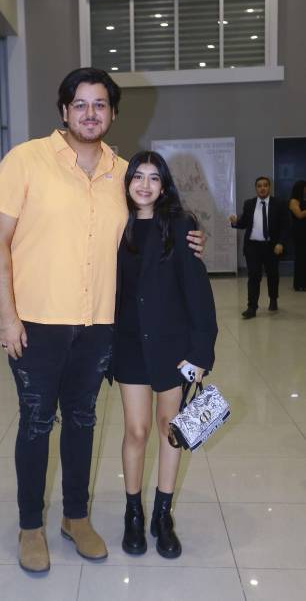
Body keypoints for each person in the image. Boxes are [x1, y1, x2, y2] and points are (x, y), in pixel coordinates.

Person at [0, 67, 205, 573]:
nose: (90, 113)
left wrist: (193, 237)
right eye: (80, 104)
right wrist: (6, 316)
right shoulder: (25, 160)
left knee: (83, 421)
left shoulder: (124, 175)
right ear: (64, 110)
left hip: (99, 327)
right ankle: (30, 525)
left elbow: (158, 223)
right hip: (35, 323)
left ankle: (76, 517)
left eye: (100, 104)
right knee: (36, 422)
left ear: (112, 113)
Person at [111, 151, 217, 558]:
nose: (144, 185)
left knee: (170, 428)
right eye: (137, 176)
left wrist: (201, 351)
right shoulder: (115, 226)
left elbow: (198, 292)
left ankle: (162, 515)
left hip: (173, 346)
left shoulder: (179, 225)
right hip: (129, 344)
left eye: (154, 178)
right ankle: (133, 513)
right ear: (127, 183)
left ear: (164, 185)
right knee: (136, 430)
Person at [229, 176, 289, 319]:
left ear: (269, 187)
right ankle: (252, 307)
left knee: (272, 275)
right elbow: (244, 223)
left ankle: (273, 298)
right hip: (253, 246)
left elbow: (285, 226)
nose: (262, 188)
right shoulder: (249, 204)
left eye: (265, 185)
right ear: (256, 188)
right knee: (253, 276)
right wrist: (235, 222)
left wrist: (280, 243)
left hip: (271, 246)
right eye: (259, 186)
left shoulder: (279, 204)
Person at [288, 180, 306, 291]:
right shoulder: (293, 201)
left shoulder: (303, 200)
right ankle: (300, 284)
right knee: (301, 257)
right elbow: (299, 215)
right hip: (300, 232)